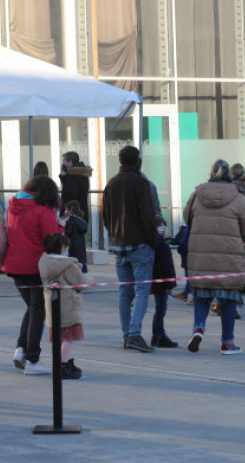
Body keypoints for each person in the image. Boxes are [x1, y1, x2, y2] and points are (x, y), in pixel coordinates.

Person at [184, 159, 245, 355]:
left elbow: (186, 218)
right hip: (229, 256)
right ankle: (227, 343)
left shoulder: (196, 195)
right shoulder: (239, 198)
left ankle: (198, 328)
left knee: (201, 295)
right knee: (229, 300)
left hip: (201, 254)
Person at [3, 175, 63, 375]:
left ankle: (21, 349)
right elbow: (52, 240)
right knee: (39, 311)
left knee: (32, 308)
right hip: (36, 267)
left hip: (15, 266)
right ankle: (32, 359)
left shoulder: (13, 207)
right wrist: (61, 226)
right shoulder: (43, 210)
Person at [103, 146, 158, 352]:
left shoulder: (111, 184)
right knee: (142, 289)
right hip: (140, 244)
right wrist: (152, 240)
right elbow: (147, 215)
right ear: (137, 161)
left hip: (119, 244)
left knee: (125, 291)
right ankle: (134, 334)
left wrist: (115, 236)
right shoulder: (140, 183)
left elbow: (106, 217)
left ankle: (127, 334)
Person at [38, 233, 88, 380]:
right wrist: (89, 278)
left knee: (60, 339)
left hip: (53, 308)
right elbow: (81, 282)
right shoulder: (68, 266)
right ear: (62, 247)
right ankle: (63, 364)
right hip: (68, 309)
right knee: (68, 339)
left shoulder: (44, 263)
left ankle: (61, 362)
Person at [149, 216, 178, 348]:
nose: (164, 229)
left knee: (159, 308)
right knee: (161, 309)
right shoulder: (161, 245)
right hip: (161, 283)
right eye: (161, 226)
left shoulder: (153, 243)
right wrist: (169, 284)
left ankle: (156, 335)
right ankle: (160, 335)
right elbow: (166, 266)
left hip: (156, 282)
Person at [59, 151, 92, 221]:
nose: (63, 164)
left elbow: (69, 198)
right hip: (82, 215)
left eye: (64, 162)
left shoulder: (71, 178)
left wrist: (64, 177)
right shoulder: (83, 176)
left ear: (70, 162)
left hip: (72, 218)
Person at [62, 200, 88, 273]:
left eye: (66, 209)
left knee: (73, 273)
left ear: (71, 210)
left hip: (72, 251)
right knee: (83, 271)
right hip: (81, 253)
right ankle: (85, 281)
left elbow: (67, 233)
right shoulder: (81, 220)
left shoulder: (70, 221)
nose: (65, 211)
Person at [174, 225, 193, 305]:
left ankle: (195, 297)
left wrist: (179, 250)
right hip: (195, 257)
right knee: (190, 277)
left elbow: (183, 243)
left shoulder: (187, 229)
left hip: (188, 256)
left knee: (189, 278)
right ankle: (185, 294)